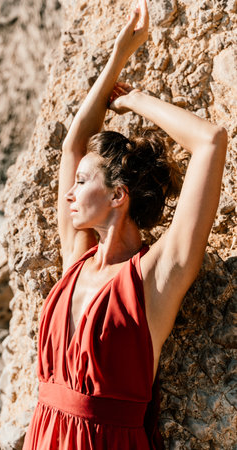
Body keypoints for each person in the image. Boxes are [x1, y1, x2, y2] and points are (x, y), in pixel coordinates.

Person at [22, 1, 227, 448]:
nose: (69, 194)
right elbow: (75, 144)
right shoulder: (77, 258)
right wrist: (116, 60)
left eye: (82, 183)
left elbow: (210, 141)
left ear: (119, 195)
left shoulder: (155, 277)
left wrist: (132, 99)